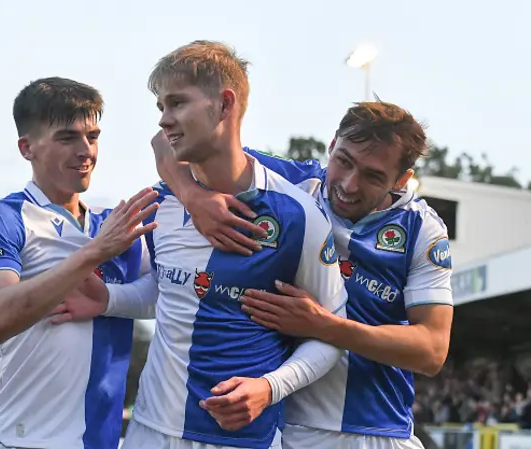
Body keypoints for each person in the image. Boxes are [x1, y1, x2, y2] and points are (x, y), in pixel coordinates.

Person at [58, 40, 348, 449]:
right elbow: (173, 291)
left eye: (176, 104)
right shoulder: (161, 204)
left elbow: (332, 334)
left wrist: (270, 388)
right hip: (149, 432)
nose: (163, 121)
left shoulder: (298, 215)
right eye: (160, 107)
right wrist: (109, 299)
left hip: (245, 439)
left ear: (225, 105)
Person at [152, 100, 454, 449]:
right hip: (291, 431)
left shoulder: (421, 229)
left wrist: (325, 325)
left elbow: (431, 351)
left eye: (373, 176)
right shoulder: (291, 182)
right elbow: (166, 142)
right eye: (343, 162)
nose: (349, 185)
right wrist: (193, 198)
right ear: (331, 145)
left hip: (380, 433)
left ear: (402, 180)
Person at [0, 77, 158, 449]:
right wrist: (93, 253)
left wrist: (109, 301)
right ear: (27, 148)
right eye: (67, 138)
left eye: (93, 136)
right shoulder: (4, 218)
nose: (86, 150)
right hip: (10, 439)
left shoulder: (114, 225)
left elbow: (174, 295)